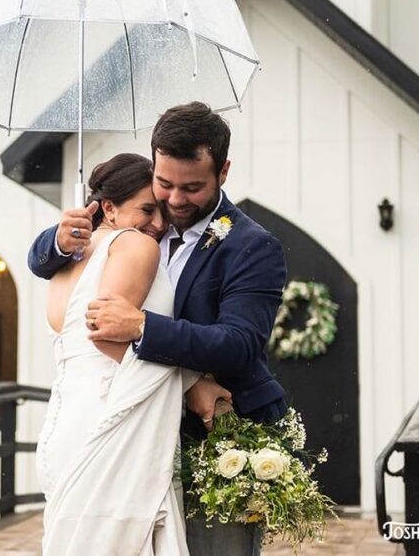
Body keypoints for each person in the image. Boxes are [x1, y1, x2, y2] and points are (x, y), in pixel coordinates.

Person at [29, 102, 288, 556]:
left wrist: (142, 326)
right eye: (164, 184)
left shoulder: (252, 246)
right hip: (132, 429)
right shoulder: (138, 220)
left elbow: (239, 345)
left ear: (223, 172)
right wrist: (54, 239)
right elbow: (44, 262)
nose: (173, 200)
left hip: (214, 437)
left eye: (192, 188)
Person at [35, 152, 231, 556]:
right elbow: (108, 338)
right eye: (147, 209)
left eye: (161, 211)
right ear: (108, 207)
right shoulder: (136, 246)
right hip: (114, 422)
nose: (159, 224)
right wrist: (191, 380)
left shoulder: (66, 259)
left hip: (65, 425)